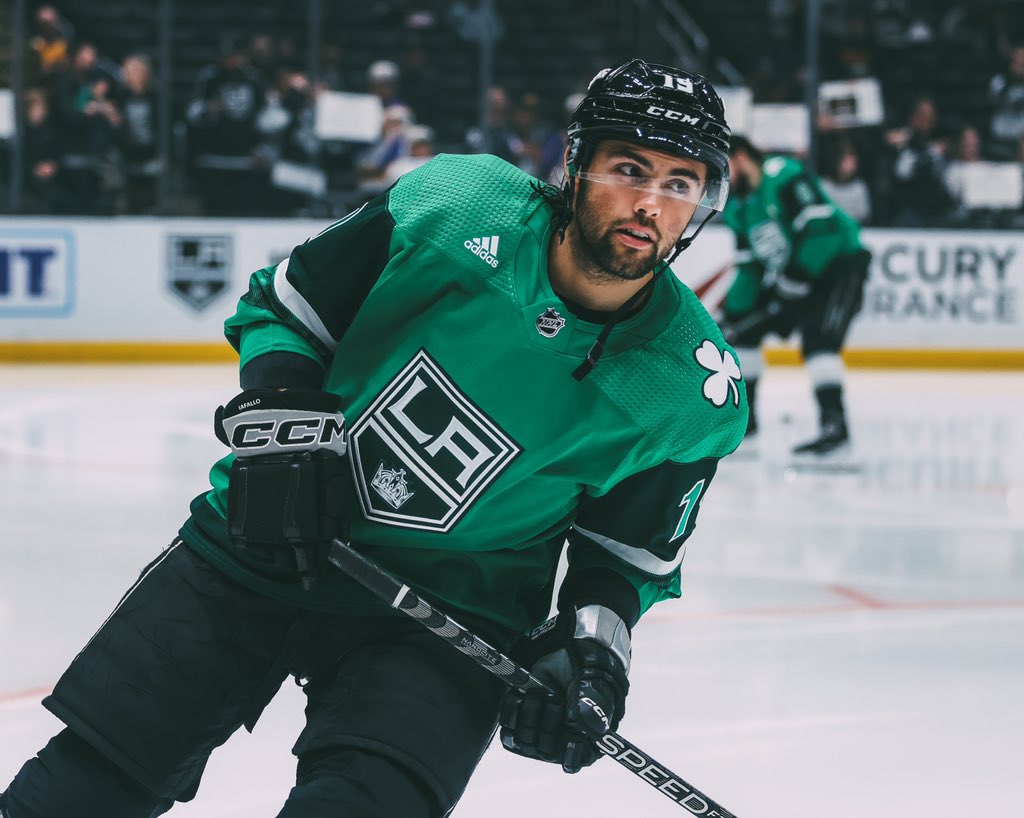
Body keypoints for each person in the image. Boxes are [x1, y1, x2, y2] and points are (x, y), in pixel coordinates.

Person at [1, 58, 746, 818]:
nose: (650, 203)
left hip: (445, 619)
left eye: (680, 183)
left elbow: (622, 557)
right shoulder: (459, 204)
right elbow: (289, 310)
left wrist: (589, 656)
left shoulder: (693, 386)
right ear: (577, 165)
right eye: (628, 169)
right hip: (262, 544)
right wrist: (281, 433)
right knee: (77, 793)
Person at [720, 134, 870, 457]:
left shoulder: (783, 175)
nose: (723, 177)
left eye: (724, 166)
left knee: (819, 341)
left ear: (742, 157)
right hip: (795, 274)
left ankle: (835, 428)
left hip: (839, 265)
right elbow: (749, 269)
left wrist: (795, 279)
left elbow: (822, 231)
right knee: (743, 332)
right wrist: (732, 312)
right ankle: (746, 423)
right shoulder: (739, 208)